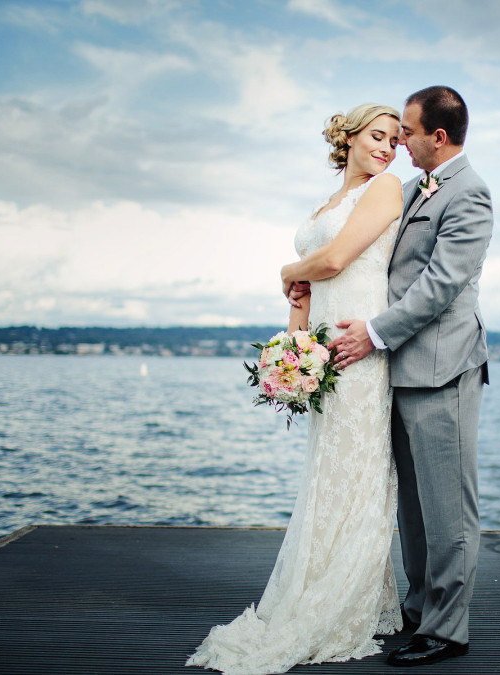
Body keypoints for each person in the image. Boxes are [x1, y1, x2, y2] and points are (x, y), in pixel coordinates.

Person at [185, 103, 405, 673]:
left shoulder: (386, 190)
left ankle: (345, 600)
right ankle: (318, 589)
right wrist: (294, 346)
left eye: (395, 141)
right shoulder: (326, 204)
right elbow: (310, 289)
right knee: (326, 474)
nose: (387, 148)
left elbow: (332, 259)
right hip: (324, 348)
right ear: (350, 137)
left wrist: (287, 270)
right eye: (378, 137)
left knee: (355, 472)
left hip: (359, 348)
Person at [330, 85, 493, 668]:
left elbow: (439, 285)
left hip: (442, 369)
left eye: (408, 131)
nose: (400, 139)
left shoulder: (469, 194)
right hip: (397, 371)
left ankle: (448, 630)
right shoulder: (411, 188)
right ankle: (420, 607)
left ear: (438, 137)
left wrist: (372, 332)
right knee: (415, 509)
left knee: (448, 507)